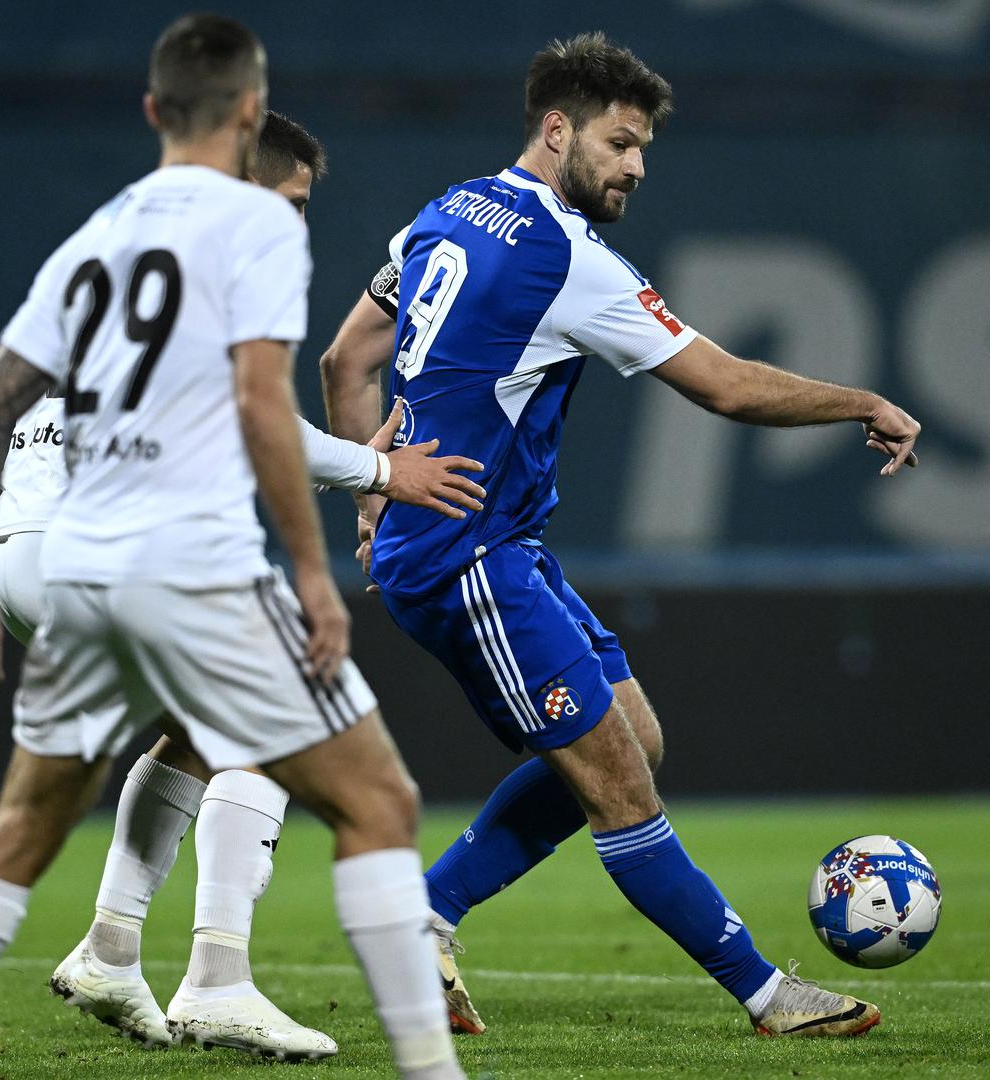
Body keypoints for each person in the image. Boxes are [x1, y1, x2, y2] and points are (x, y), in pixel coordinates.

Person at [321, 32, 922, 1039]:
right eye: (620, 142)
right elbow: (725, 385)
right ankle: (766, 995)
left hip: (487, 546)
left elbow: (346, 359)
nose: (636, 166)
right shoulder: (566, 257)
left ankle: (422, 915)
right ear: (556, 130)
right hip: (469, 558)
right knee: (616, 782)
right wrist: (860, 400)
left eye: (642, 147)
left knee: (634, 737)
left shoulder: (444, 212)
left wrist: (369, 493)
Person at [0, 15, 465, 1080]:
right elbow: (257, 409)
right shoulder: (249, 232)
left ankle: (81, 969)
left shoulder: (96, 238)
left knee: (45, 813)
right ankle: (223, 984)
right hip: (156, 559)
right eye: (296, 199)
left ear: (155, 110)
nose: (295, 218)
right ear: (247, 119)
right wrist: (356, 508)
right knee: (368, 792)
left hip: (37, 556)